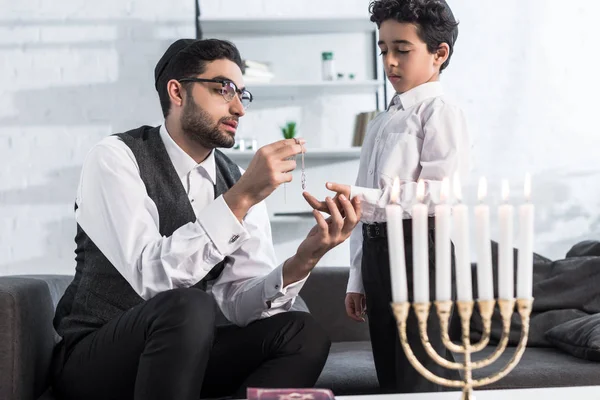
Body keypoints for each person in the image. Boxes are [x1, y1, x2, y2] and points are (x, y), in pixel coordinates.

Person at [50, 38, 362, 400]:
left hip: (187, 356)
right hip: (97, 358)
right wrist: (240, 199)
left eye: (241, 95)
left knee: (301, 333)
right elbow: (151, 279)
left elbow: (237, 301)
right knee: (189, 304)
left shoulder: (235, 178)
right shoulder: (117, 158)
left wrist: (305, 257)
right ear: (177, 92)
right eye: (223, 89)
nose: (238, 109)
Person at [304, 0, 470, 393]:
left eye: (402, 49)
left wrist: (363, 196)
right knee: (390, 375)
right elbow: (367, 211)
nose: (390, 61)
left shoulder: (440, 111)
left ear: (439, 53)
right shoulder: (381, 121)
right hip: (379, 256)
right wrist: (356, 279)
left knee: (422, 375)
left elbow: (441, 193)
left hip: (420, 250)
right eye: (383, 50)